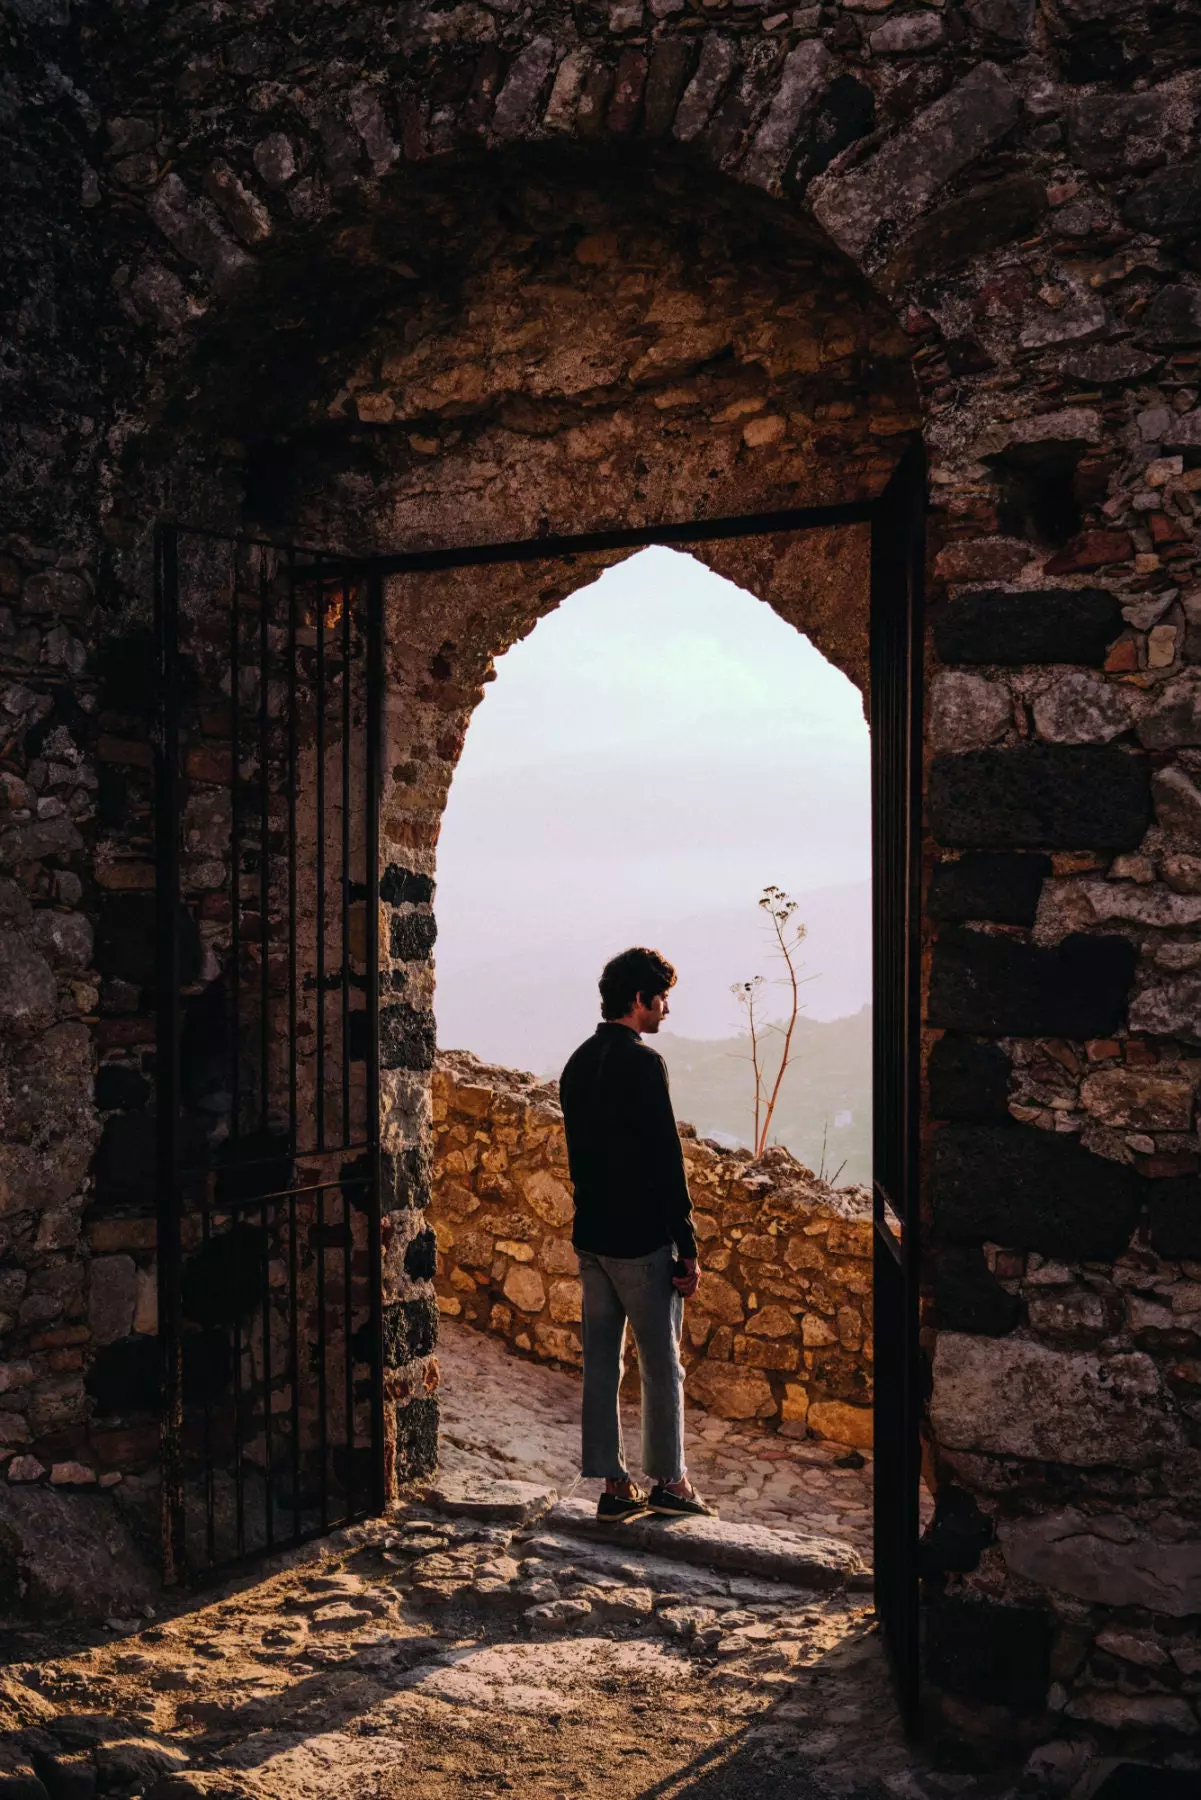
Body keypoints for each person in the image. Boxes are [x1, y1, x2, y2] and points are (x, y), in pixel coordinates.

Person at [559, 946, 714, 1522]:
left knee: (602, 1361)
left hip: (592, 1237)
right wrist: (687, 1243)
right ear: (639, 1000)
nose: (666, 1010)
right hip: (642, 1243)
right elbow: (665, 1162)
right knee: (660, 1363)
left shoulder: (577, 1063)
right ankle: (670, 1482)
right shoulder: (645, 1065)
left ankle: (612, 1485)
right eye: (662, 999)